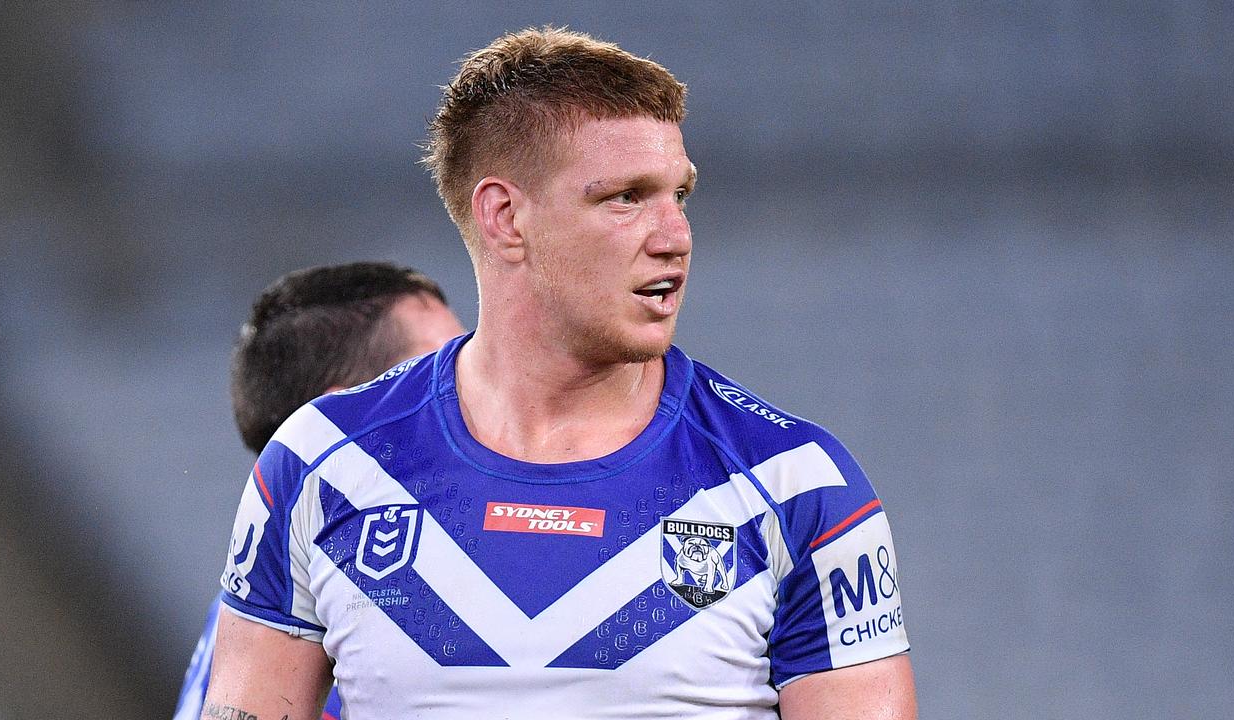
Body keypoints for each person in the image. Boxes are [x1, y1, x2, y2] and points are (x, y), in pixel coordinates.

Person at [206, 27, 916, 719]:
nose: (675, 238)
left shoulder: (797, 484)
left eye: (680, 195)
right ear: (505, 216)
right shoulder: (319, 465)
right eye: (625, 198)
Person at [173, 262, 463, 720]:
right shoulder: (340, 629)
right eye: (436, 369)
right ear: (346, 416)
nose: (469, 383)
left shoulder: (262, 611)